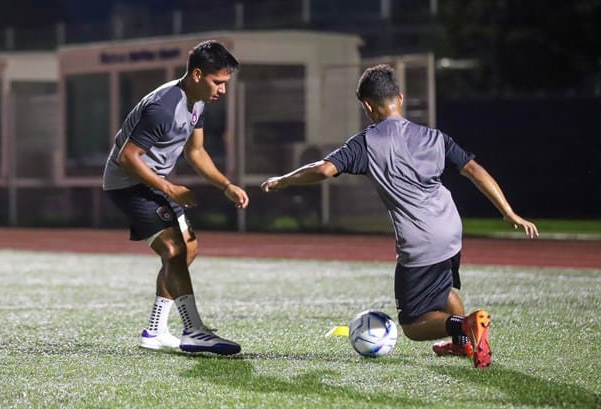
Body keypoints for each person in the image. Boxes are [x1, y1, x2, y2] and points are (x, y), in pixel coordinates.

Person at [260, 64, 538, 368]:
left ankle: (465, 325)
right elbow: (474, 170)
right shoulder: (434, 137)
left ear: (367, 106)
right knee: (444, 290)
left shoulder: (366, 142)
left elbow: (324, 170)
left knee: (413, 325)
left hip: (420, 240)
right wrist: (508, 212)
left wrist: (283, 180)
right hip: (450, 228)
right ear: (400, 98)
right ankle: (463, 345)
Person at [103, 40, 249, 356]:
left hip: (153, 183)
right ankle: (194, 330)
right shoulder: (163, 106)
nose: (223, 90)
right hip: (127, 183)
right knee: (173, 248)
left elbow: (195, 151)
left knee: (188, 249)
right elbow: (128, 157)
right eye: (218, 82)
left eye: (225, 83)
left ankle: (155, 331)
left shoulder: (197, 103)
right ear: (197, 74)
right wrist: (170, 189)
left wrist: (226, 185)